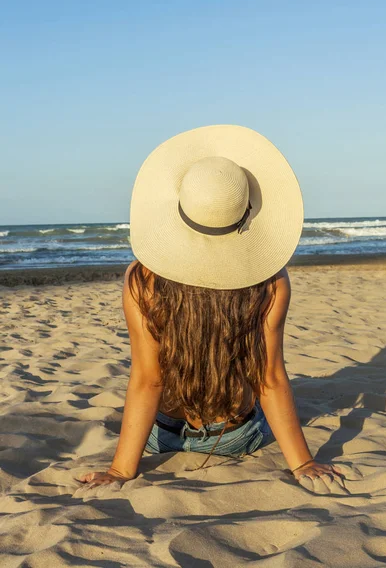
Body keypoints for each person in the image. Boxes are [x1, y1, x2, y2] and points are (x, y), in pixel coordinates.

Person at [77, 124, 347, 495]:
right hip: (235, 437)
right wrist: (302, 463)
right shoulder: (271, 282)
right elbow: (269, 377)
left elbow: (147, 380)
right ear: (246, 210)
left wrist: (121, 471)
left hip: (160, 439)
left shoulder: (142, 280)